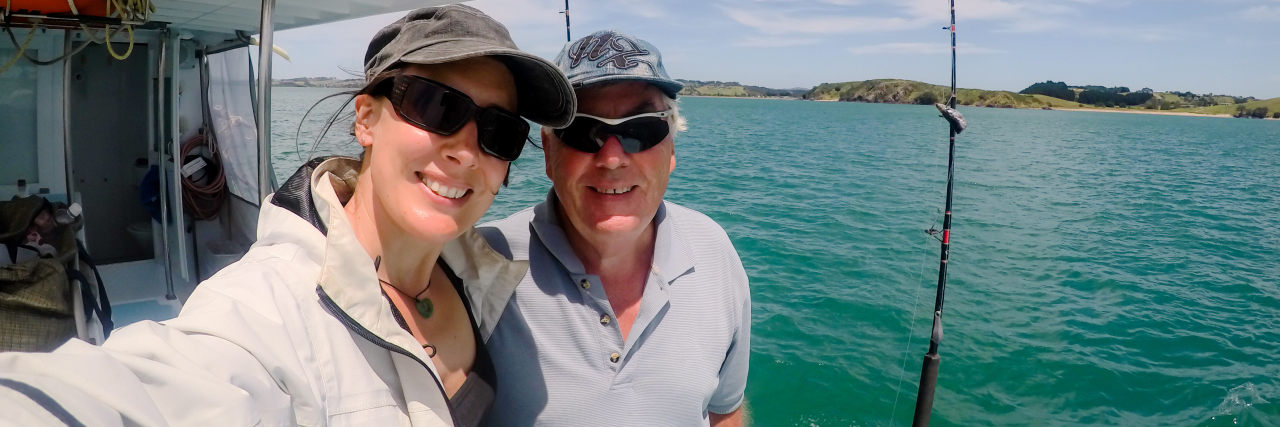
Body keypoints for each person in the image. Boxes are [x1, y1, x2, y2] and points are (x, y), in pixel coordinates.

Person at [0, 5, 574, 426]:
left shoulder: (484, 273)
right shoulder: (265, 309)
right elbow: (148, 395)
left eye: (500, 131)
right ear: (366, 120)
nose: (467, 150)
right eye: (437, 105)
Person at [445, 30, 751, 427]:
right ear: (549, 153)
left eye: (641, 129)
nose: (611, 158)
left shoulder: (715, 252)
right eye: (582, 130)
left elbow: (724, 412)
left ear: (671, 149)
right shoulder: (475, 263)